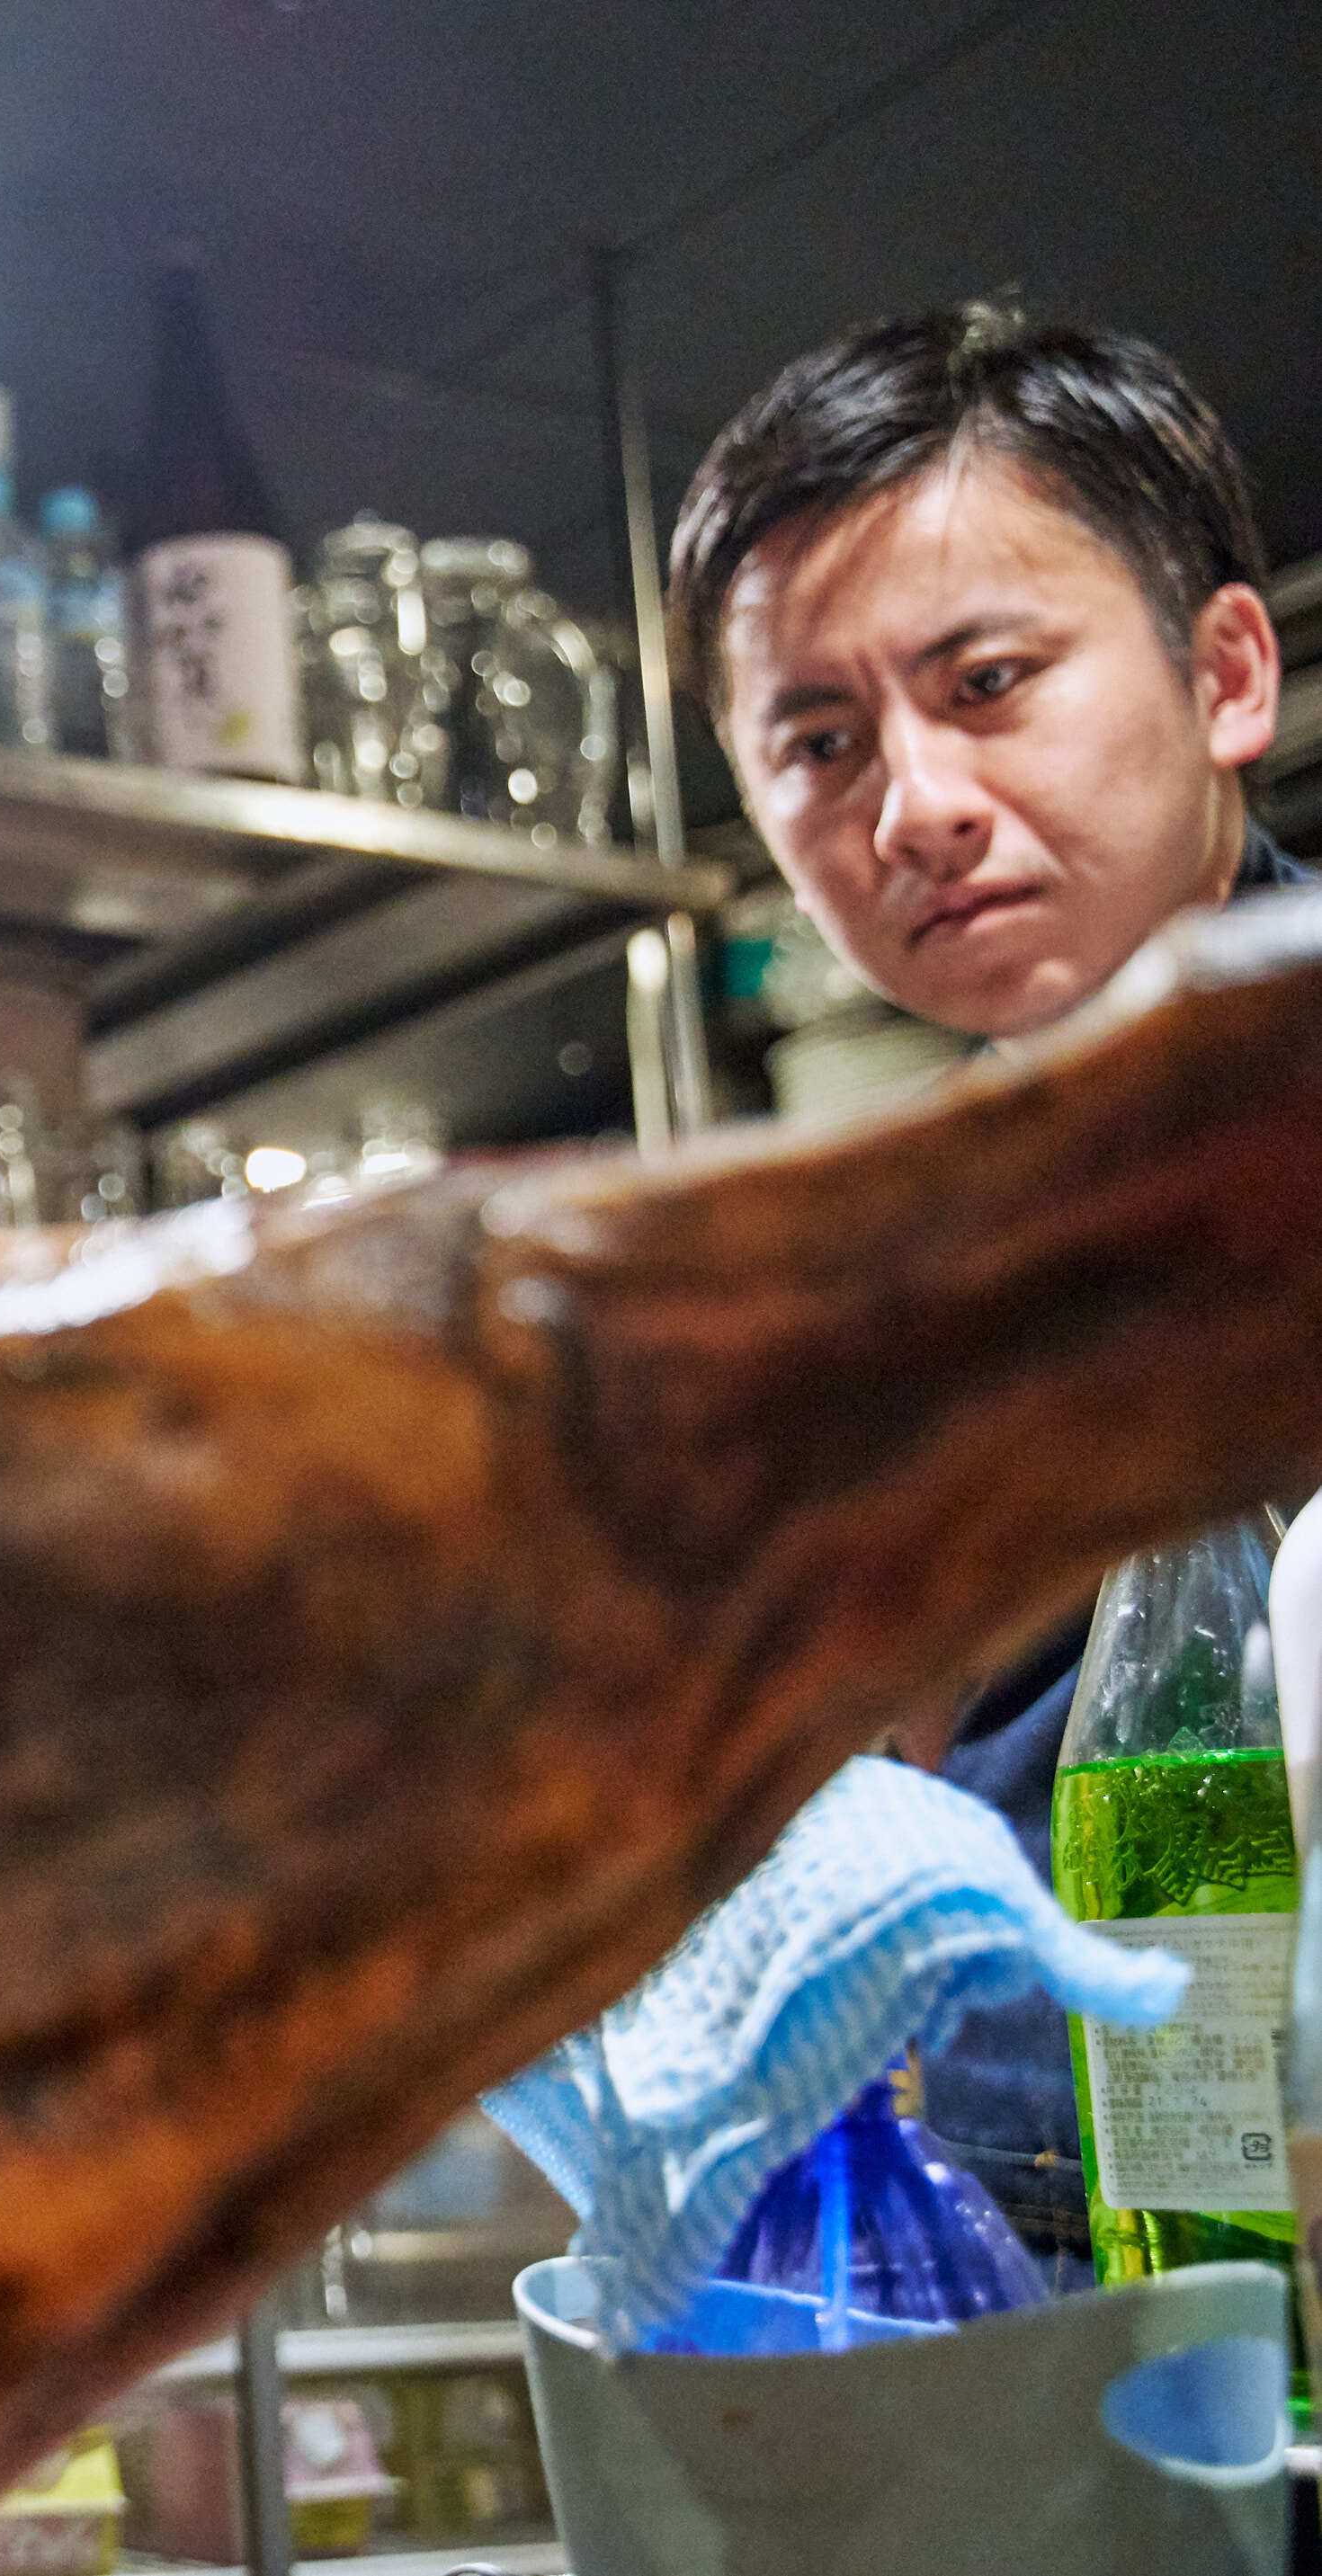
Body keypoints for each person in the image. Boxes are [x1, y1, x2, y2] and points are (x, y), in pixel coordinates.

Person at [665, 300, 1294, 2265]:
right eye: (819, 742)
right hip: (1042, 2272)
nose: (910, 804)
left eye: (988, 680)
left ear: (1223, 671)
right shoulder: (908, 1254)